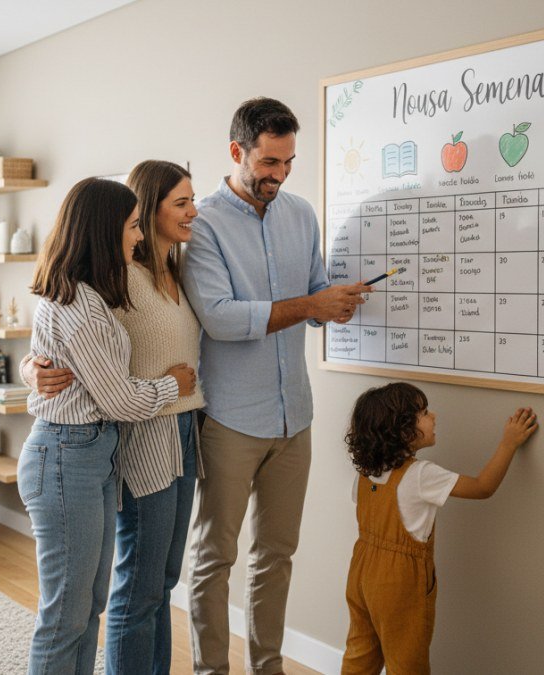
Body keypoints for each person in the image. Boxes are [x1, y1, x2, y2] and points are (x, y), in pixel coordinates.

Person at [180, 97, 372, 675]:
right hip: (231, 420)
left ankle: (268, 667)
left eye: (288, 162)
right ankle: (212, 670)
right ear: (237, 151)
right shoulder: (202, 223)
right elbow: (220, 317)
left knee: (277, 556)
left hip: (297, 417)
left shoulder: (301, 214)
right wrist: (309, 304)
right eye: (269, 162)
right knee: (215, 558)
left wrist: (331, 306)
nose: (280, 175)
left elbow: (311, 296)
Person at [22, 160, 206, 675]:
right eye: (182, 201)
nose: (194, 211)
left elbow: (75, 356)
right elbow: (111, 390)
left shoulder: (172, 271)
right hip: (93, 444)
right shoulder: (109, 285)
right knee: (78, 610)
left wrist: (35, 367)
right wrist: (31, 370)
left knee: (98, 604)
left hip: (110, 444)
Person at [341, 383, 538, 674]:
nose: (434, 415)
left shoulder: (365, 473)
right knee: (407, 662)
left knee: (360, 653)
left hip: (361, 573)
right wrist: (508, 443)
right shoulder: (421, 475)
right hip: (398, 584)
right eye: (423, 412)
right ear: (402, 430)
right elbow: (483, 487)